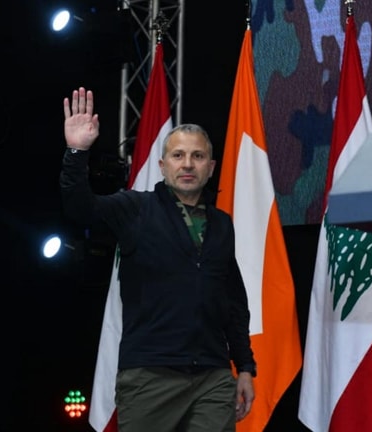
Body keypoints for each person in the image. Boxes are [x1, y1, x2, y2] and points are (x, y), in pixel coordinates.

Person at [61, 86, 256, 431]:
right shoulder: (135, 209)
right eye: (178, 155)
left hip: (212, 377)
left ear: (211, 167)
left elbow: (234, 303)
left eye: (197, 156)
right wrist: (77, 152)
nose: (188, 164)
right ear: (163, 166)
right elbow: (80, 209)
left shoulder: (222, 225)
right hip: (149, 376)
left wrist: (244, 367)